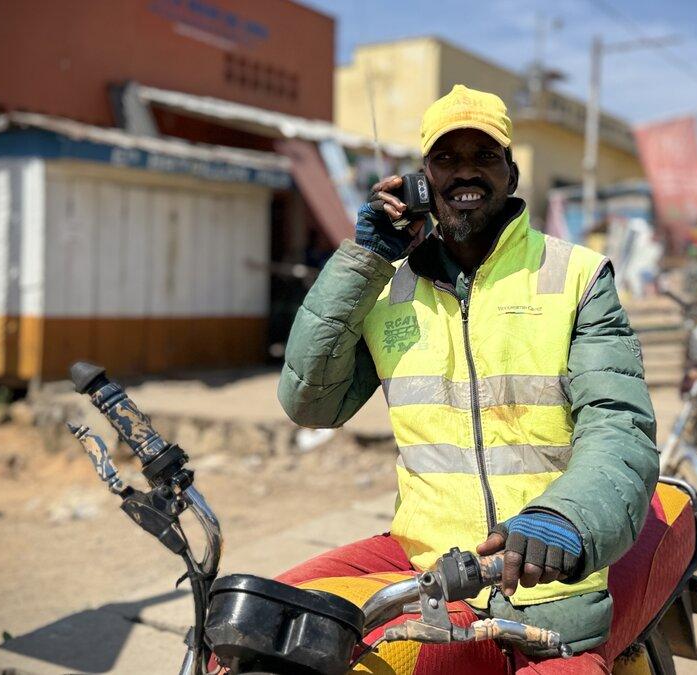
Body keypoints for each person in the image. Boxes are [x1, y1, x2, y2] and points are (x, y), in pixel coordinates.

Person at [276, 85, 658, 670]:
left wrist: (565, 519)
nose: (466, 173)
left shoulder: (576, 276)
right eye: (447, 159)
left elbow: (620, 427)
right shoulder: (387, 288)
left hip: (545, 586)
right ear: (423, 178)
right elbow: (309, 403)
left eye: (484, 156)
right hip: (423, 570)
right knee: (267, 627)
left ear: (510, 171)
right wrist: (365, 258)